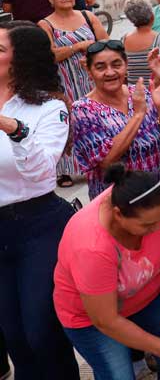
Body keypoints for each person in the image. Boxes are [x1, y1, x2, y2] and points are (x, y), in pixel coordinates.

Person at [53, 164, 160, 379]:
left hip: (149, 295)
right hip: (93, 318)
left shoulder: (154, 201)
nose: (157, 229)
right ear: (118, 215)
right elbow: (106, 320)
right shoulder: (91, 247)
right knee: (119, 375)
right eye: (147, 225)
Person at [0, 22, 80, 380]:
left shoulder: (49, 108)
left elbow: (41, 172)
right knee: (14, 337)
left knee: (41, 333)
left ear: (20, 60)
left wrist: (14, 128)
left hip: (38, 225)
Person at [71, 41, 160, 199]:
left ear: (126, 65)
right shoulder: (83, 110)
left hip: (156, 193)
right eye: (100, 67)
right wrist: (138, 115)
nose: (110, 72)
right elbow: (106, 160)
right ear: (89, 71)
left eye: (116, 65)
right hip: (118, 202)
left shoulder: (139, 93)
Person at [38, 0, 108, 185]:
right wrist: (77, 46)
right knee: (66, 124)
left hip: (92, 81)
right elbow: (49, 55)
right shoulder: (45, 24)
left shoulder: (87, 16)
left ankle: (99, 163)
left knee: (96, 121)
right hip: (64, 83)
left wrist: (93, 52)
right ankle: (66, 170)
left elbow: (106, 42)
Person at [120, 0, 160, 85]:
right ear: (152, 16)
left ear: (131, 20)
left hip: (133, 92)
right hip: (158, 90)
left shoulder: (123, 40)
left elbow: (123, 75)